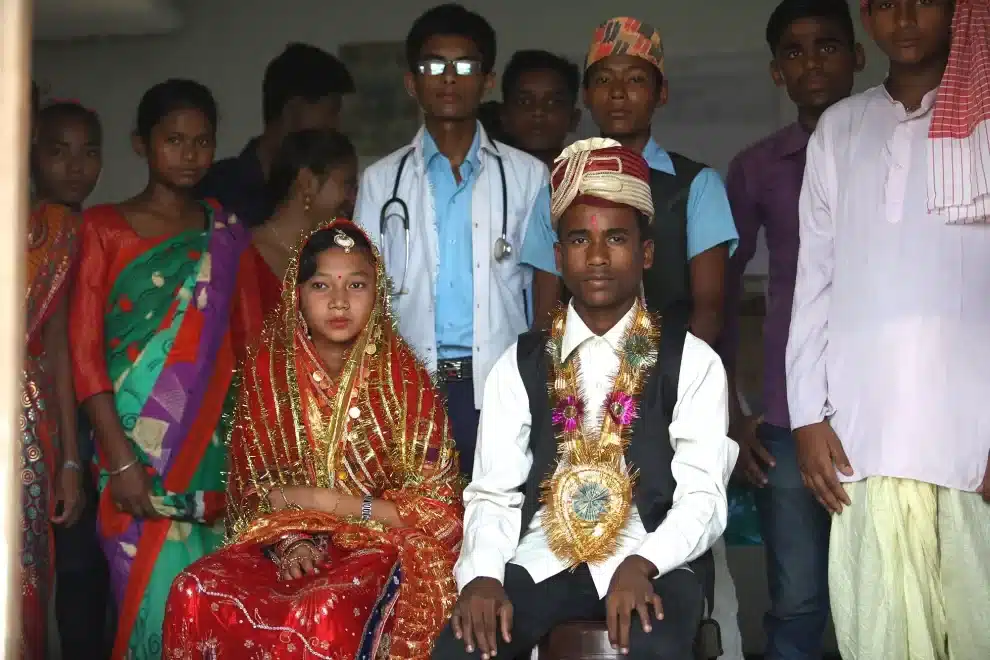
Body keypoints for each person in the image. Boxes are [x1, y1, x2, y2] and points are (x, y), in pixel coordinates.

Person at [431, 138, 737, 660]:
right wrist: (481, 576)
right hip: (546, 555)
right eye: (578, 240)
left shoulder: (691, 361)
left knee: (656, 647)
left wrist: (643, 563)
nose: (596, 257)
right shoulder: (521, 364)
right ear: (557, 256)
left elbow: (703, 497)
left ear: (645, 252)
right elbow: (493, 493)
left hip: (654, 556)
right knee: (463, 650)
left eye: (615, 238)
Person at [787, 1, 990, 657]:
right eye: (885, 2)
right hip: (861, 432)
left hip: (970, 435)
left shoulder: (984, 123)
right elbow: (814, 277)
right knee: (879, 629)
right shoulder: (841, 130)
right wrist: (806, 415)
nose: (904, 17)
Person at [162, 219, 464, 660]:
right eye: (322, 285)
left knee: (322, 608)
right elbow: (252, 496)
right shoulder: (270, 377)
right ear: (296, 294)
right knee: (193, 588)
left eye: (356, 285)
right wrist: (291, 540)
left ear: (377, 295)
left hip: (376, 548)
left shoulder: (404, 383)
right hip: (285, 544)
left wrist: (322, 504)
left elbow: (440, 512)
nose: (339, 302)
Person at [69, 79, 252, 659]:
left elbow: (247, 350)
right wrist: (118, 457)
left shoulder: (225, 234)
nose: (190, 154)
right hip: (131, 460)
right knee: (143, 605)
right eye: (174, 140)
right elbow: (84, 355)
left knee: (212, 613)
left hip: (211, 461)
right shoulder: (103, 227)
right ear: (141, 144)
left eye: (202, 141)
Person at [581, 17, 744, 655]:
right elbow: (547, 312)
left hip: (674, 390)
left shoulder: (694, 185)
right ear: (587, 94)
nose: (619, 93)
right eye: (603, 80)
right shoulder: (562, 188)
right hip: (579, 398)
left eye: (637, 79)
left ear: (661, 93)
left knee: (681, 538)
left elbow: (707, 306)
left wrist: (649, 379)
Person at [353, 3, 559, 477]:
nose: (449, 78)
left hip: (501, 382)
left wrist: (537, 376)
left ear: (487, 80)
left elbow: (546, 287)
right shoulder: (381, 182)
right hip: (407, 385)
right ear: (412, 81)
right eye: (434, 66)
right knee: (418, 531)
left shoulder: (528, 177)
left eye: (465, 66)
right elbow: (363, 292)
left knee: (499, 523)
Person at [722, 1, 863, 658]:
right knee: (799, 602)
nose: (813, 63)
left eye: (829, 47)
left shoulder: (892, 148)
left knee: (888, 596)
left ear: (859, 56)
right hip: (785, 413)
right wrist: (737, 410)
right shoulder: (756, 167)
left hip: (883, 412)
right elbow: (719, 294)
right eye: (796, 51)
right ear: (778, 71)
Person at [31, 98, 114, 658]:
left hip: (105, 417)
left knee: (98, 575)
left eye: (88, 152)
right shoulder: (37, 233)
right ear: (34, 154)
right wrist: (66, 458)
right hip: (48, 426)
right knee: (65, 573)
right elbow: (58, 345)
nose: (76, 166)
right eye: (59, 151)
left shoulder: (98, 228)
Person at [21, 81, 86, 660]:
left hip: (27, 435)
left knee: (25, 584)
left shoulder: (56, 228)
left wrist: (69, 459)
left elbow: (62, 348)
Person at [198, 42, 355, 228]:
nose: (336, 126)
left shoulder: (331, 199)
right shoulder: (214, 190)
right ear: (292, 110)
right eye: (331, 112)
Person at [247, 128, 358, 321]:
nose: (354, 198)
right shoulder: (244, 255)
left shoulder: (336, 255)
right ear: (307, 182)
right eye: (347, 185)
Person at [500, 49, 581, 170]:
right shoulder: (484, 180)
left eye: (553, 102)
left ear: (574, 119)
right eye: (524, 101)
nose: (538, 111)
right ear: (504, 116)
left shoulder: (594, 183)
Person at [32, 100, 103, 210]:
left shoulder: (104, 224)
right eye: (57, 152)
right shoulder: (8, 222)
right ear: (32, 154)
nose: (76, 167)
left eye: (90, 153)